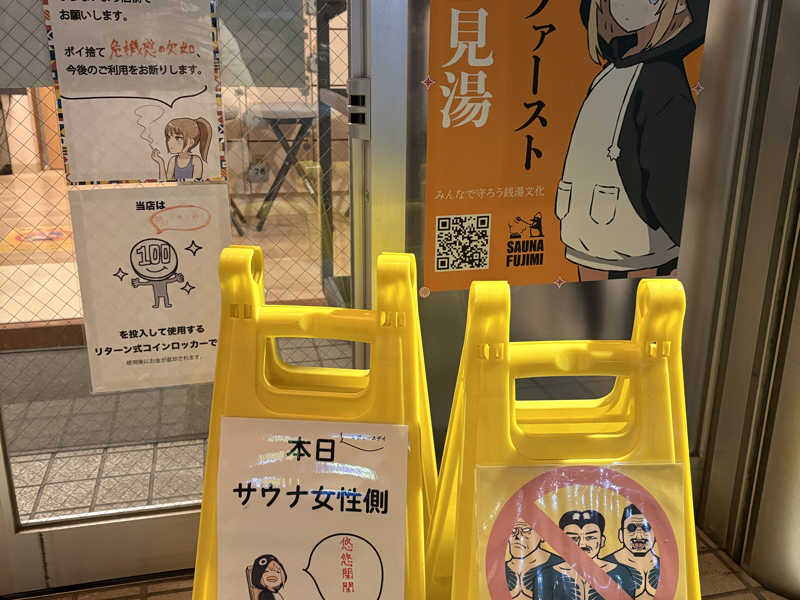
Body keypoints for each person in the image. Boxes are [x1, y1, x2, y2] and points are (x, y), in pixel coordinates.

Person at [556, 0, 709, 281]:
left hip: (640, 243)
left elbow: (669, 175)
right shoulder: (609, 74)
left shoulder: (662, 80)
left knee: (638, 305)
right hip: (589, 233)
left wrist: (691, 248)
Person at [552, 510, 637, 599]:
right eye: (573, 538)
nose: (582, 544)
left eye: (590, 537)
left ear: (602, 541)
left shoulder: (620, 574)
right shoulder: (549, 574)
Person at [603, 505, 660, 597]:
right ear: (621, 535)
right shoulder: (605, 566)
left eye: (646, 528)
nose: (638, 535)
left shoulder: (665, 568)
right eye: (631, 528)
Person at [505, 519, 563, 599]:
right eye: (513, 530)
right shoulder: (500, 569)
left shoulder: (561, 567)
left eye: (526, 530)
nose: (518, 536)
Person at [129, 238, 184, 309]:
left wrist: (176, 278)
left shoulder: (162, 280)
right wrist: (139, 283)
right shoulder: (154, 281)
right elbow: (147, 283)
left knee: (165, 297)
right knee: (157, 298)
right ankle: (157, 305)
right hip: (157, 292)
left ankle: (166, 304)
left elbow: (170, 280)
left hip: (163, 292)